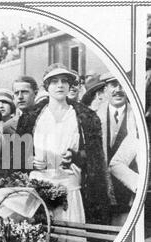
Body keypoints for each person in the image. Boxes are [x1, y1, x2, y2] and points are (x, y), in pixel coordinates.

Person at [18, 63, 110, 224]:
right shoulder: (30, 118)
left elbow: (96, 158)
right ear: (46, 86)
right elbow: (14, 156)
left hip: (70, 187)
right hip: (38, 187)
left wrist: (75, 156)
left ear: (70, 85)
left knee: (71, 236)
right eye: (54, 81)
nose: (60, 85)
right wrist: (28, 161)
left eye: (64, 81)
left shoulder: (86, 117)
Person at [96, 72, 137, 225]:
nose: (118, 89)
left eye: (123, 85)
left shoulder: (138, 118)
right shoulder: (94, 118)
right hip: (102, 192)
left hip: (129, 193)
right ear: (105, 89)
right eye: (113, 85)